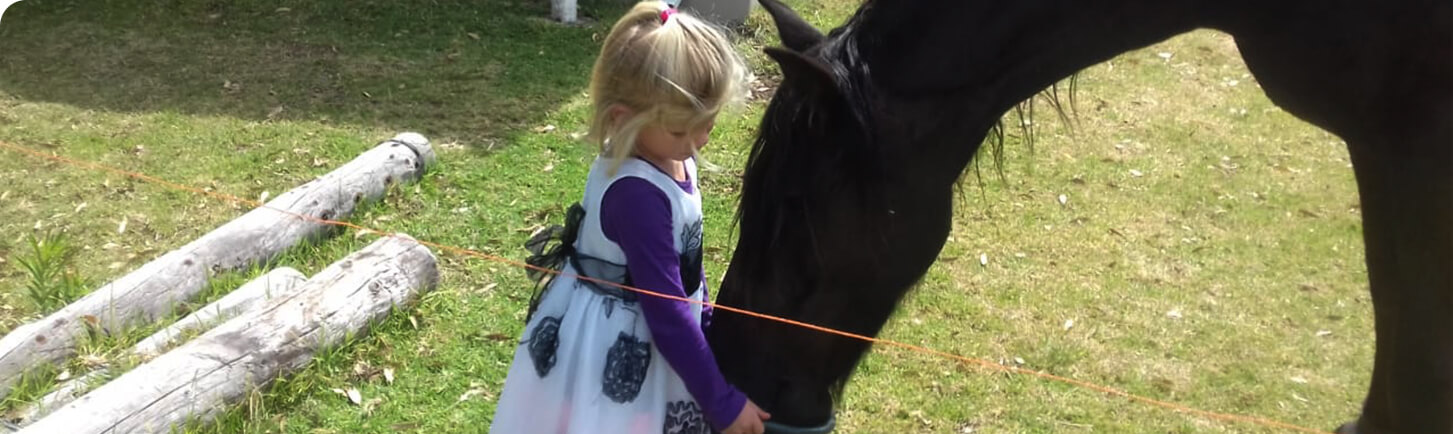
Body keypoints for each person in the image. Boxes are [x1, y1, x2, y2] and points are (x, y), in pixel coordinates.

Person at [490, 2, 770, 433]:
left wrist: (707, 313)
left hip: (660, 331)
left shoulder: (672, 156)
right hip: (620, 346)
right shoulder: (638, 195)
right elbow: (667, 316)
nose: (698, 140)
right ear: (623, 119)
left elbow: (683, 269)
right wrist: (723, 403)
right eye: (682, 130)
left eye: (708, 125)